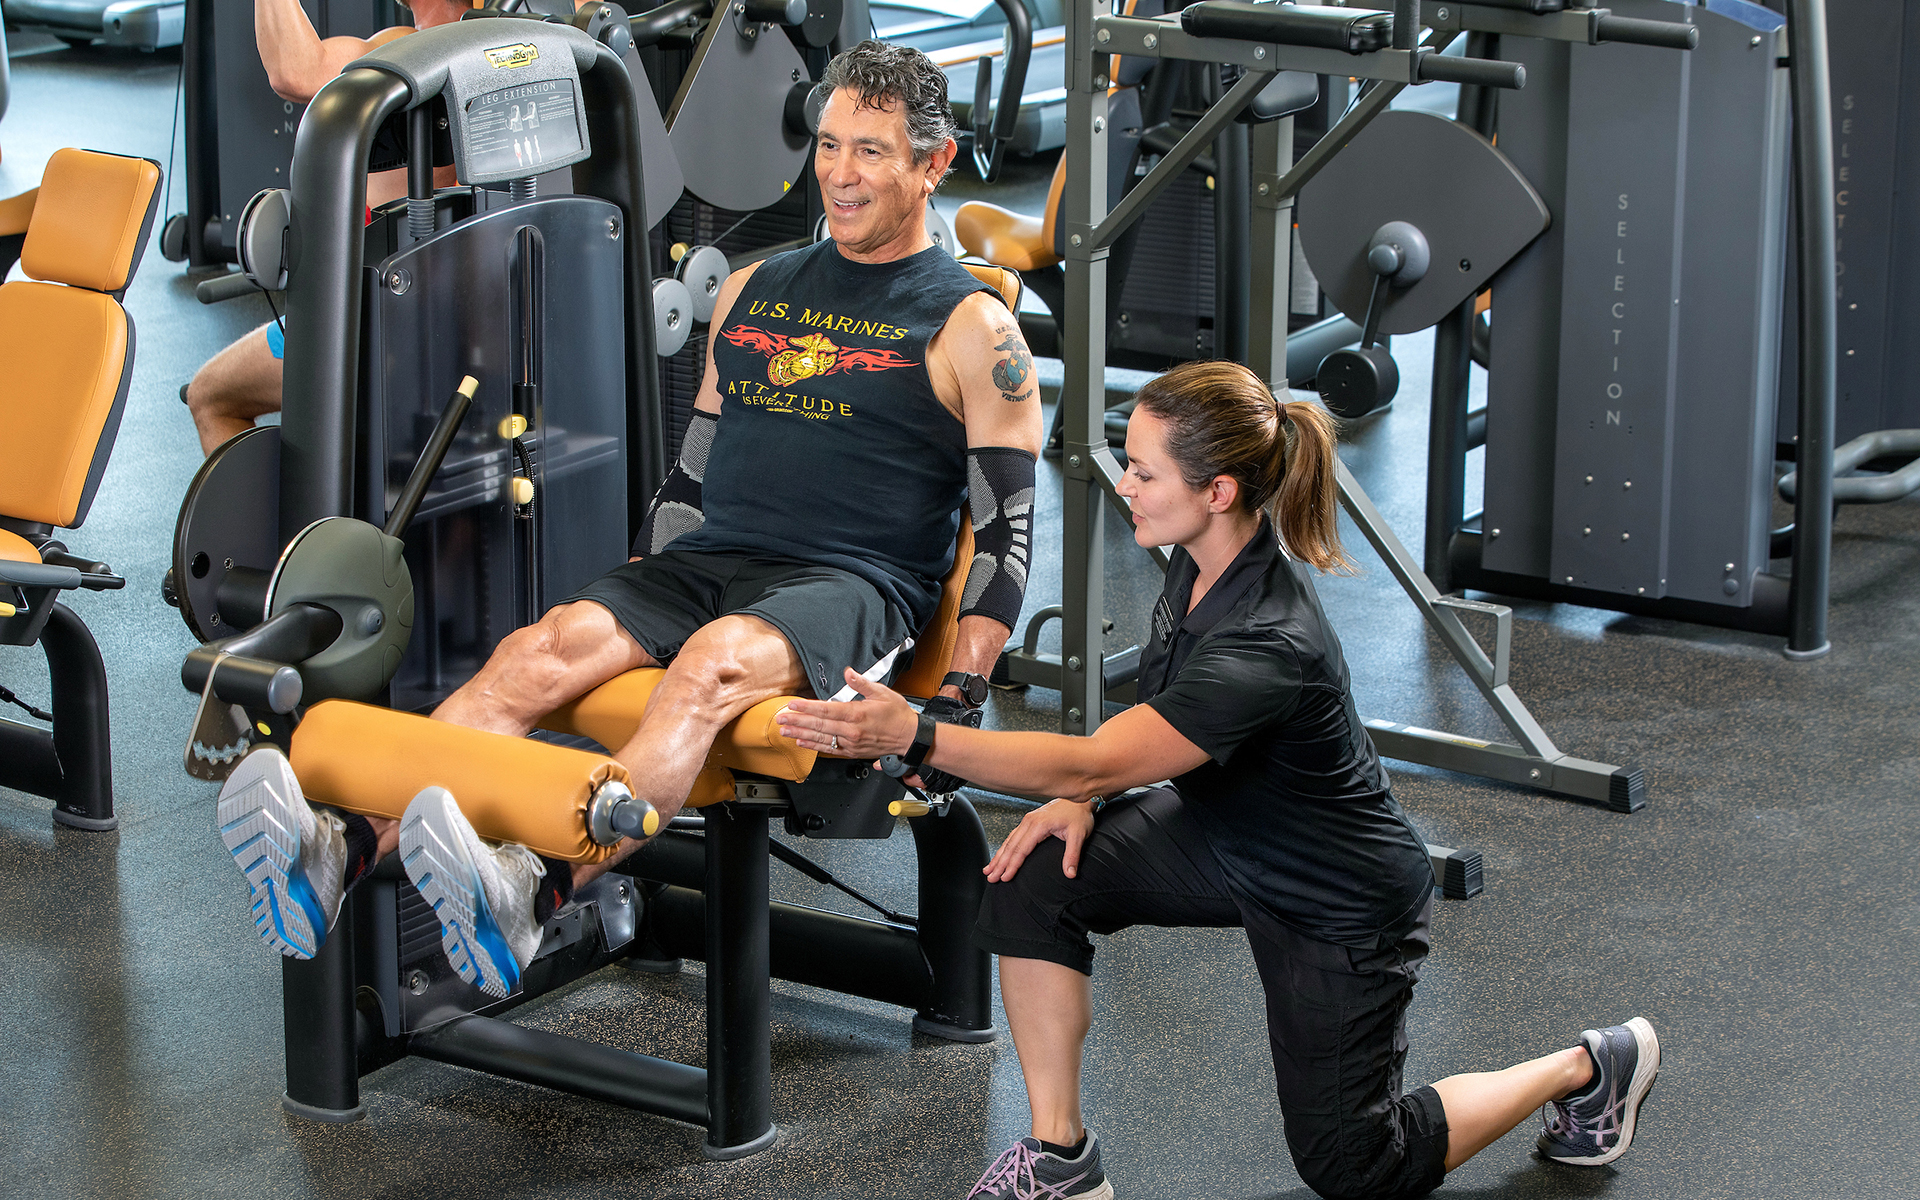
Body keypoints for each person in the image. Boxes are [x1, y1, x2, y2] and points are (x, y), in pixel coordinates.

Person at [215, 42, 1046, 1004]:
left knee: (710, 665)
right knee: (536, 652)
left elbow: (1006, 534)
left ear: (932, 164)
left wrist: (959, 700)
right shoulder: (757, 287)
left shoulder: (972, 327)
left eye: (871, 151)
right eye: (828, 145)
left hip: (849, 584)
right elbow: (691, 477)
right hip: (714, 560)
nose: (840, 173)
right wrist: (637, 597)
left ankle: (537, 888)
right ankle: (343, 846)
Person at [777, 360, 1661, 1200]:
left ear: (1219, 492)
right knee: (1034, 878)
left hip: (1336, 893)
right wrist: (1078, 800)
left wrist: (919, 734)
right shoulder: (1197, 559)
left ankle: (1587, 1066)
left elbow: (1097, 756)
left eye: (1144, 472)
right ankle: (1060, 1159)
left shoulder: (1268, 642)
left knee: (1358, 1168)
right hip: (1222, 827)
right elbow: (1141, 731)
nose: (1125, 486)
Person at [183, 0, 473, 455]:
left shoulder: (412, 54)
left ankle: (302, 506)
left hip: (376, 326)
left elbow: (295, 72)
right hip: (471, 327)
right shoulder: (512, 46)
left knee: (209, 396)